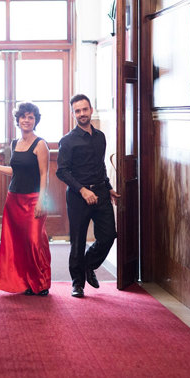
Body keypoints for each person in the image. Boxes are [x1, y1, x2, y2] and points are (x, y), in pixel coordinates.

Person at [56, 94, 120, 298]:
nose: (81, 114)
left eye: (84, 109)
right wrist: (83, 190)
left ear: (91, 110)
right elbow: (62, 171)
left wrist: (108, 187)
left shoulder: (100, 136)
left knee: (109, 236)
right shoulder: (67, 141)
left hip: (101, 192)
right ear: (73, 113)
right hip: (78, 196)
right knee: (78, 240)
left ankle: (87, 265)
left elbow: (100, 165)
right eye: (77, 111)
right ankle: (77, 284)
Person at [0, 102, 51, 296]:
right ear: (18, 120)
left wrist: (42, 201)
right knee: (17, 242)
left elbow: (44, 175)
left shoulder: (40, 144)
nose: (26, 120)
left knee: (35, 241)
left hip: (34, 200)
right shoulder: (15, 143)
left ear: (35, 120)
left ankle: (41, 283)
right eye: (23, 116)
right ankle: (24, 281)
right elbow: (15, 171)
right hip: (14, 200)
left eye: (30, 117)